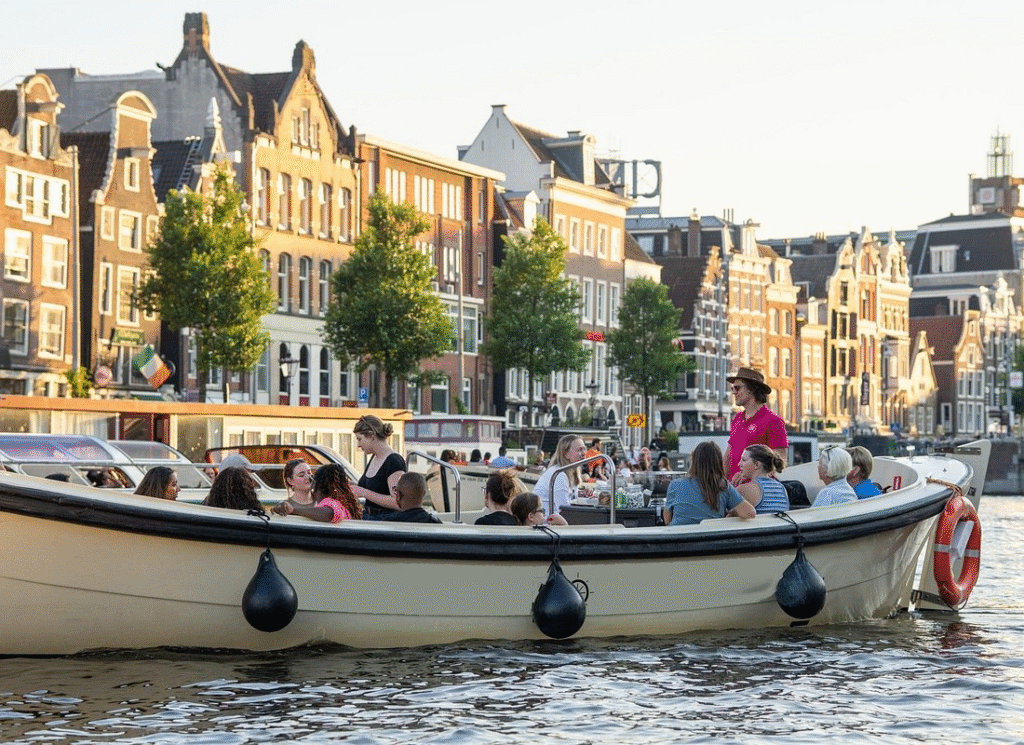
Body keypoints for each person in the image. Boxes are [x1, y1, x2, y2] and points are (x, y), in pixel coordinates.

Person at [663, 441, 756, 526]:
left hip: (679, 539)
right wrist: (731, 512)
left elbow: (667, 520)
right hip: (711, 540)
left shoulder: (675, 484)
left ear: (694, 460)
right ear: (718, 462)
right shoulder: (723, 486)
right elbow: (749, 512)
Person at [723, 367, 788, 481]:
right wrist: (719, 482)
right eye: (733, 388)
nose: (734, 392)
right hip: (733, 490)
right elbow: (728, 456)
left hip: (757, 491)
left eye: (737, 388)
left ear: (751, 389)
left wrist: (749, 475)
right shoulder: (737, 419)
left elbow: (780, 460)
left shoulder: (773, 421)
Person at [349, 414, 406, 520]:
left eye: (359, 439)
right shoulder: (375, 457)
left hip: (386, 521)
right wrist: (354, 486)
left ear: (371, 435)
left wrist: (362, 492)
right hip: (369, 517)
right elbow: (378, 488)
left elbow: (398, 502)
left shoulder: (393, 461)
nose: (358, 444)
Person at [272, 463, 362, 522]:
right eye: (302, 475)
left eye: (310, 474)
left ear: (316, 484)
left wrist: (294, 510)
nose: (308, 478)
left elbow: (330, 513)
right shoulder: (341, 503)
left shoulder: (330, 502)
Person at [534, 434, 587, 517]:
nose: (584, 453)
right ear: (565, 454)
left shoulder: (571, 472)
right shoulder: (559, 475)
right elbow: (564, 510)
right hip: (546, 522)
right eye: (579, 450)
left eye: (584, 448)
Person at [735, 444, 790, 514]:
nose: (739, 464)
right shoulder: (782, 488)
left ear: (757, 465)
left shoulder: (745, 489)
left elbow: (724, 516)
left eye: (743, 460)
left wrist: (730, 487)